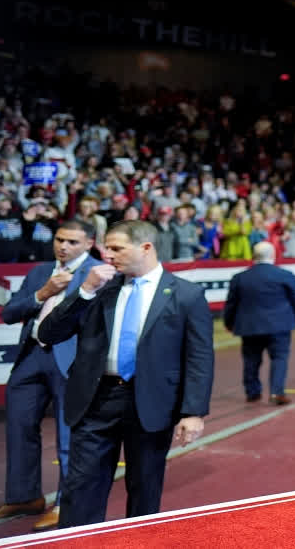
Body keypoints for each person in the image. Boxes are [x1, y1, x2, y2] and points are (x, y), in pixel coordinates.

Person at [38, 220, 214, 528]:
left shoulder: (187, 295)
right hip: (95, 400)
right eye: (107, 248)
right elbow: (50, 333)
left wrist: (194, 412)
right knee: (81, 490)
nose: (107, 255)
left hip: (151, 403)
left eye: (116, 248)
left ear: (146, 248)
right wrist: (85, 291)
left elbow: (199, 357)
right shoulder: (99, 289)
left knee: (144, 490)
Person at [0, 220, 100, 531]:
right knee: (19, 429)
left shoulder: (99, 272)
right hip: (30, 358)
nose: (64, 246)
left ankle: (65, 502)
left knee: (69, 436)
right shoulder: (39, 272)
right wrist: (43, 293)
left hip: (71, 361)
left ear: (90, 243)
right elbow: (10, 313)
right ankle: (24, 496)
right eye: (60, 240)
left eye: (73, 242)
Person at [223, 241, 295, 405]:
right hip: (279, 324)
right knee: (279, 358)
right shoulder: (284, 275)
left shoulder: (240, 278)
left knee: (251, 359)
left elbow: (231, 303)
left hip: (250, 326)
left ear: (254, 256)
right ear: (273, 255)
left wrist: (229, 323)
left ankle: (252, 392)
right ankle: (276, 392)